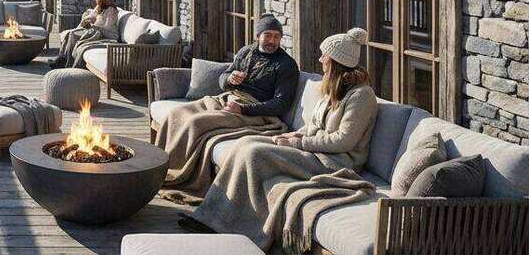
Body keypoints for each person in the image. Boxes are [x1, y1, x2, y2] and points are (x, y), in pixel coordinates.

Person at [183, 28, 378, 251]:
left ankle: (245, 231)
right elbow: (314, 125)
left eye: (324, 55)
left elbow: (343, 141)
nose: (320, 59)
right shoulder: (332, 87)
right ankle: (211, 217)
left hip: (336, 161)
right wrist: (294, 134)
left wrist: (297, 143)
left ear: (335, 61)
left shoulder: (361, 96)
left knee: (255, 154)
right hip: (314, 151)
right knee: (246, 144)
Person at [157, 14, 299, 199]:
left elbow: (281, 104)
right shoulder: (246, 52)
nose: (272, 40)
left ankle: (177, 175)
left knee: (196, 123)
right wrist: (230, 79)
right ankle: (158, 169)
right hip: (227, 99)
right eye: (268, 35)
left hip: (254, 112)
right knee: (176, 113)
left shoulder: (286, 65)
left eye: (276, 36)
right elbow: (223, 78)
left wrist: (243, 109)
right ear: (258, 36)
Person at [52, 0, 120, 69]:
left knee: (73, 35)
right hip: (94, 31)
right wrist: (87, 20)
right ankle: (62, 60)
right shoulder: (100, 7)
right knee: (70, 34)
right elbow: (93, 15)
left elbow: (107, 29)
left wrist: (93, 26)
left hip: (104, 35)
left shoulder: (111, 10)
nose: (96, 0)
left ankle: (68, 64)